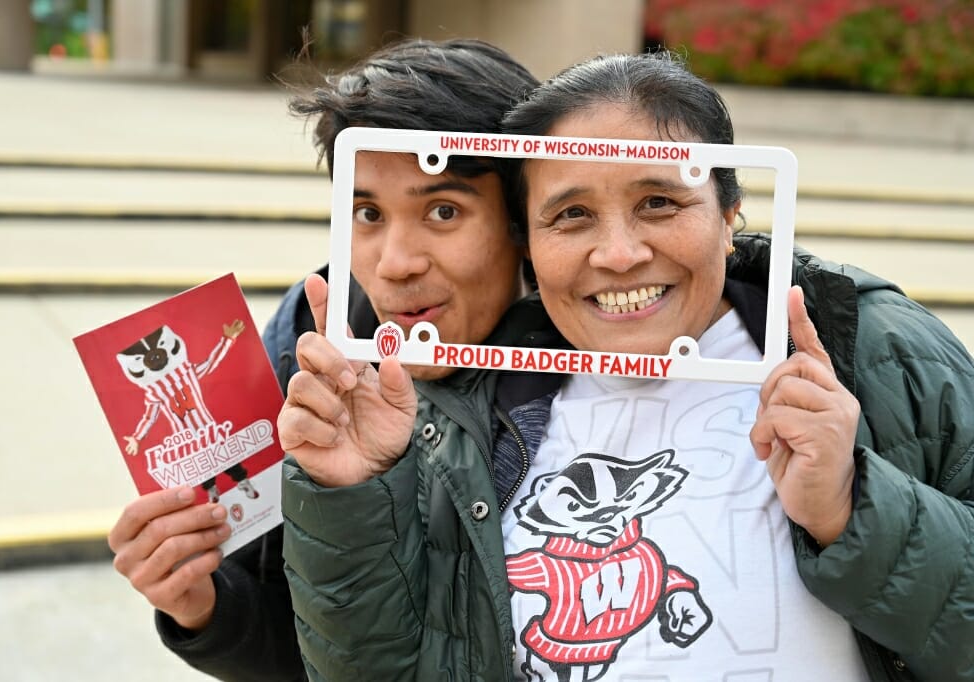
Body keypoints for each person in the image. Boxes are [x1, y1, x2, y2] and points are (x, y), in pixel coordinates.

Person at [280, 51, 974, 681]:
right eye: (572, 214)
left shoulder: (874, 349)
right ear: (530, 242)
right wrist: (348, 498)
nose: (617, 253)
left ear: (730, 213)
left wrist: (856, 508)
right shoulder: (465, 405)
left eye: (659, 203)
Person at [106, 38, 538, 681]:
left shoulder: (599, 366)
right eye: (366, 212)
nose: (395, 263)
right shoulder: (306, 347)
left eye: (443, 211)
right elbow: (302, 649)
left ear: (523, 218)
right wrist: (203, 608)